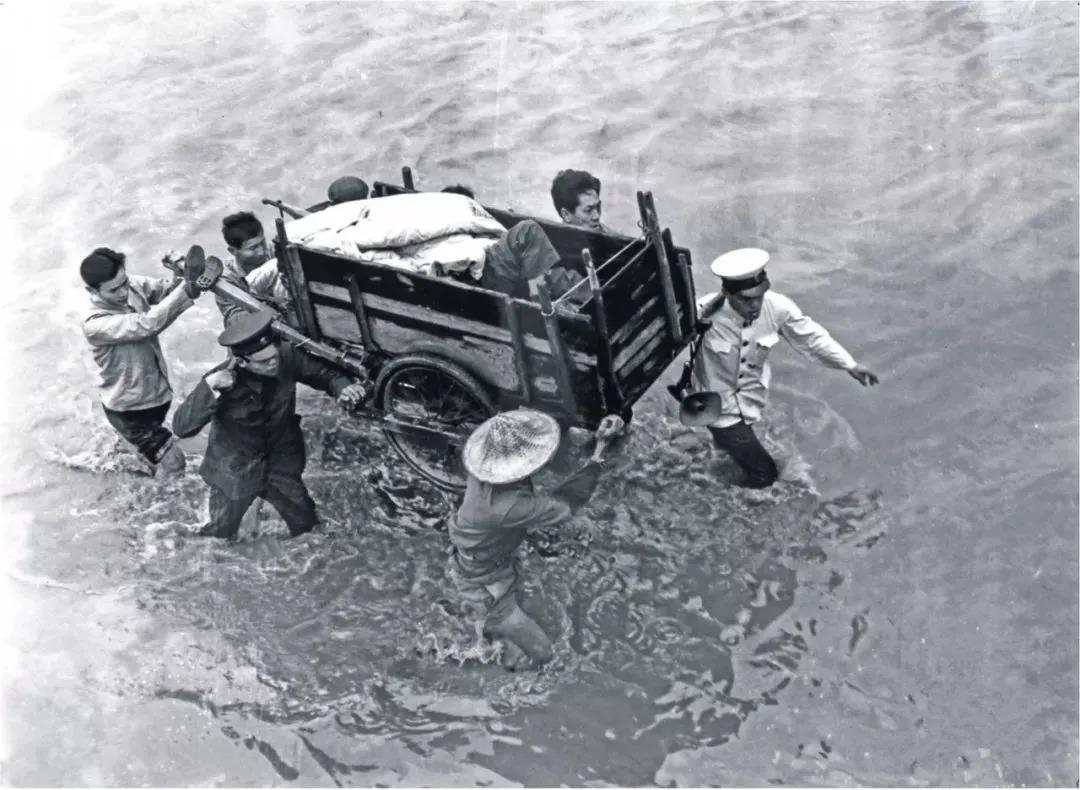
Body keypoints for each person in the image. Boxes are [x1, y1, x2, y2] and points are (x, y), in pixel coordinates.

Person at [680, 248, 879, 488]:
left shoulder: (777, 307)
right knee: (765, 474)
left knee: (733, 452)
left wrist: (849, 364)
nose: (755, 305)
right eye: (746, 299)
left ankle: (716, 471)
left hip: (751, 400)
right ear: (727, 293)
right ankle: (725, 494)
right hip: (716, 407)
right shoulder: (702, 313)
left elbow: (811, 338)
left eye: (759, 296)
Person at [448, 409, 624, 669]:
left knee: (511, 627)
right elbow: (568, 502)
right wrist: (600, 450)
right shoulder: (508, 507)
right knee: (544, 653)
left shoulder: (482, 474)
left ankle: (496, 640)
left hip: (483, 561)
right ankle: (515, 665)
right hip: (484, 585)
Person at [172, 310, 368, 540]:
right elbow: (182, 427)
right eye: (264, 362)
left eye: (273, 356)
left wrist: (343, 388)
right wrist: (210, 386)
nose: (274, 363)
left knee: (308, 527)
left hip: (280, 465)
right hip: (235, 471)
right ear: (242, 362)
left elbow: (326, 374)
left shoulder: (286, 356)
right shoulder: (221, 379)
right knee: (219, 535)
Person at [81, 246, 204, 477]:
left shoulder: (131, 286)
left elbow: (167, 293)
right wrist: (189, 286)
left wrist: (180, 274)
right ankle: (162, 499)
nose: (123, 292)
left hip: (155, 395)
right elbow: (147, 324)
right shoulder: (95, 324)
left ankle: (137, 466)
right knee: (174, 463)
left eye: (124, 283)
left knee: (150, 460)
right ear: (92, 290)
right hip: (128, 409)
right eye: (113, 290)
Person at [480, 219, 588, 306]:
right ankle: (538, 297)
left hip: (506, 258)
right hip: (494, 265)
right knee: (528, 229)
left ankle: (541, 295)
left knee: (560, 278)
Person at [550, 169, 611, 233]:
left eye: (598, 207)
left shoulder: (612, 236)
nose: (596, 216)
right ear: (566, 215)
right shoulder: (548, 238)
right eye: (588, 210)